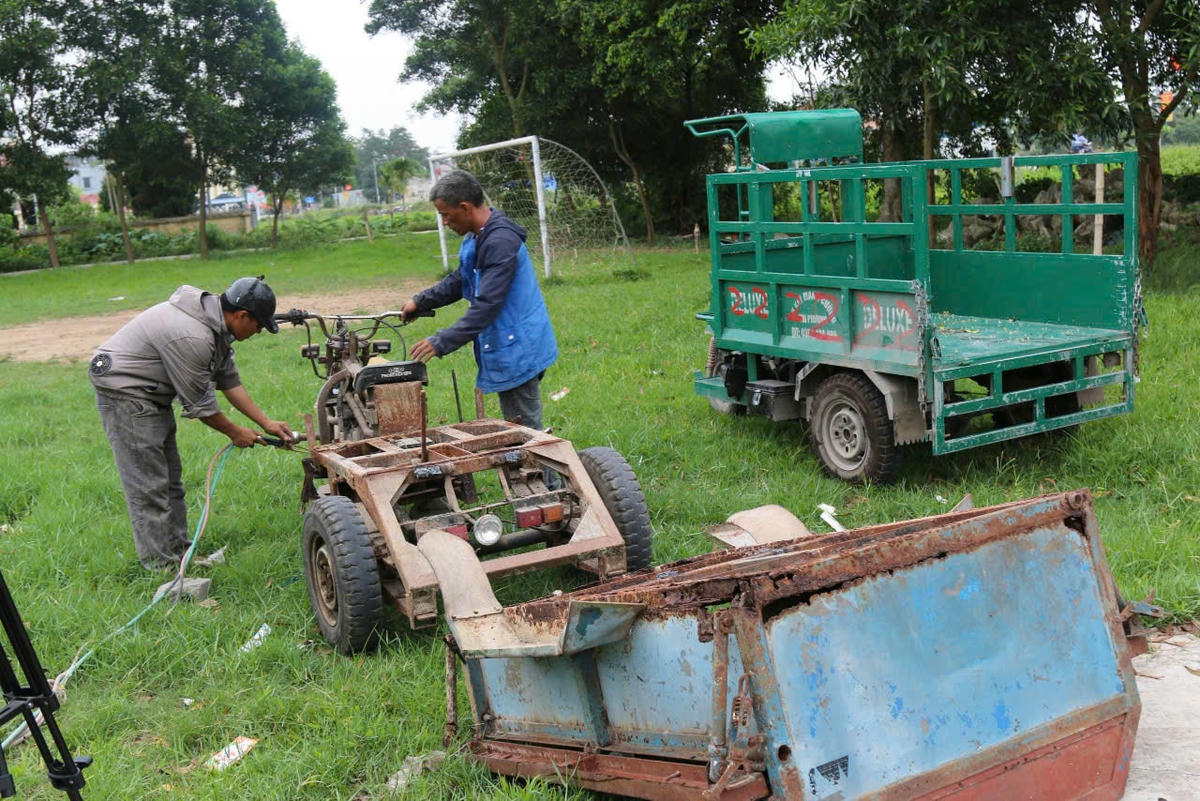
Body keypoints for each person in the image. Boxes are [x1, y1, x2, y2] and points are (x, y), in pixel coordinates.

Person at [89, 276, 295, 570]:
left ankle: (179, 555)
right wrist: (235, 432)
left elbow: (228, 380)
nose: (258, 331)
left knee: (171, 480)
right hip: (125, 392)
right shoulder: (193, 337)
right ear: (241, 315)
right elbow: (201, 405)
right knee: (149, 485)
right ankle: (161, 568)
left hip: (150, 393)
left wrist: (266, 423)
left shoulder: (216, 326)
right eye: (259, 325)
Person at [401, 169, 557, 430]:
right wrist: (421, 301)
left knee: (527, 433)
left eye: (446, 215)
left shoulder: (499, 242)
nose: (444, 223)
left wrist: (441, 341)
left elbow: (487, 306)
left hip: (520, 348)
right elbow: (461, 278)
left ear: (465, 207)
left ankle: (545, 458)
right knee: (518, 427)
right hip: (508, 344)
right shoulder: (476, 236)